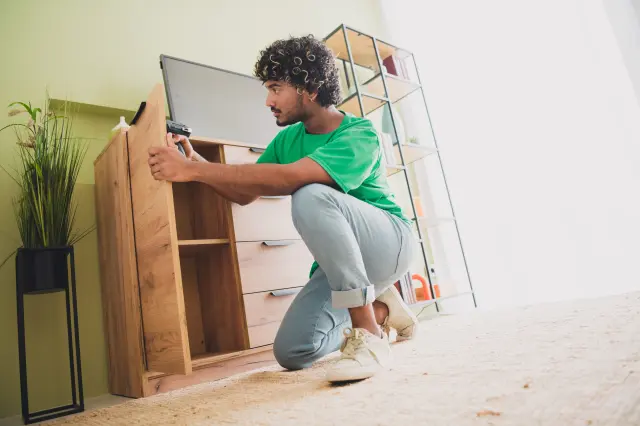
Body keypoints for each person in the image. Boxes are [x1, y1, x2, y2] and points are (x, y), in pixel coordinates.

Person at [147, 35, 419, 382]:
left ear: (311, 87)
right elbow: (245, 193)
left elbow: (294, 177)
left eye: (276, 88)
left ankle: (369, 336)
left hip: (389, 244)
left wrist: (193, 170)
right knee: (292, 352)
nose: (268, 100)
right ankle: (381, 309)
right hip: (342, 264)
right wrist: (196, 163)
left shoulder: (360, 133)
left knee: (309, 193)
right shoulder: (287, 140)